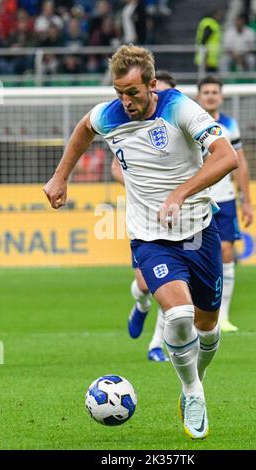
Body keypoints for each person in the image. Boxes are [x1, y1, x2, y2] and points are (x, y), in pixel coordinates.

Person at [44, 45, 238, 439]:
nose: (126, 101)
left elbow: (226, 156)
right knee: (179, 316)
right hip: (150, 237)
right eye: (119, 92)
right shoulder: (109, 114)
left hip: (199, 230)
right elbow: (84, 128)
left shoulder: (179, 108)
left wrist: (181, 193)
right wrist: (60, 176)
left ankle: (195, 380)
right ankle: (192, 391)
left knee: (208, 329)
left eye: (133, 93)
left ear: (152, 85)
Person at [111, 70, 176, 363]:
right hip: (143, 220)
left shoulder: (181, 124)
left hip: (179, 220)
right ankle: (140, 305)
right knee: (145, 285)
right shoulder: (131, 128)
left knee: (172, 287)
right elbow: (115, 168)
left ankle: (156, 345)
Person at [197, 76, 253, 333]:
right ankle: (197, 313)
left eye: (214, 92)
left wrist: (247, 201)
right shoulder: (191, 122)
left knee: (227, 252)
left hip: (226, 199)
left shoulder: (229, 125)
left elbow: (239, 164)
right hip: (199, 200)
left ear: (221, 96)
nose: (210, 96)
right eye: (206, 92)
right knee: (197, 259)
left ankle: (224, 316)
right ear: (199, 96)